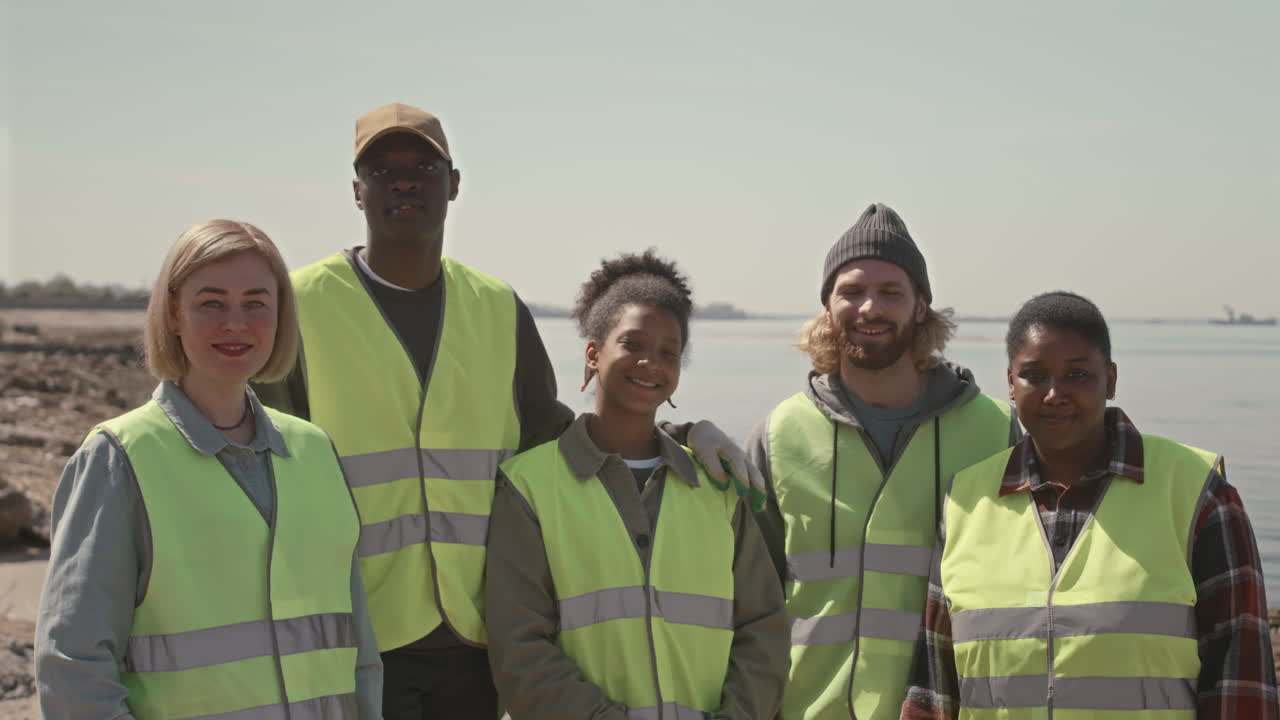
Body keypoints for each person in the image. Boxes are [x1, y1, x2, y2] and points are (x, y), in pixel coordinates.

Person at [255, 102, 754, 719]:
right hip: (354, 636)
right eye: (383, 170)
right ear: (357, 190)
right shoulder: (299, 305)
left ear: (454, 184)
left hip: (479, 638)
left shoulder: (496, 307)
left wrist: (678, 434)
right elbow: (257, 455)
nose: (404, 182)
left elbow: (565, 441)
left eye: (424, 168)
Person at [34, 220, 381, 719]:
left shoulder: (316, 452)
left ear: (280, 315)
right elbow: (72, 667)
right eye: (212, 303)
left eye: (256, 304)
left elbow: (358, 651)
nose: (236, 324)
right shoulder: (119, 459)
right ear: (174, 313)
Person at [901, 291, 1278, 719]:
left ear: (1110, 380)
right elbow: (934, 687)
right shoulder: (967, 502)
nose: (1054, 393)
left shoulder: (1198, 494)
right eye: (1034, 375)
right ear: (1010, 384)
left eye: (1077, 374)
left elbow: (1242, 679)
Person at [485, 250, 790, 719]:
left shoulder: (719, 487)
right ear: (593, 354)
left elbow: (764, 627)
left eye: (669, 352)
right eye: (632, 343)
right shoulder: (527, 488)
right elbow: (519, 648)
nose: (651, 362)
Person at [745, 203, 1020, 719]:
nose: (870, 307)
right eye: (851, 291)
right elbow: (749, 606)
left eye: (891, 292)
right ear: (828, 306)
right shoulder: (779, 435)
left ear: (921, 307)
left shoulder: (995, 431)